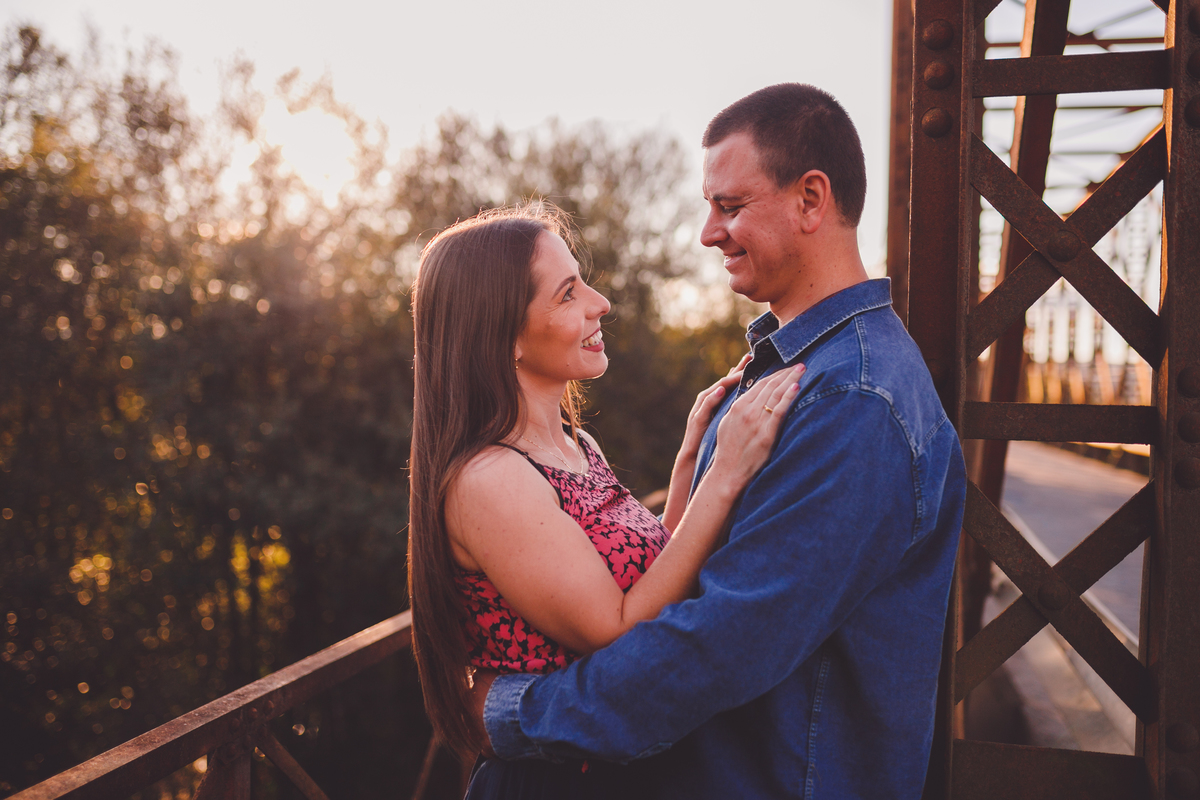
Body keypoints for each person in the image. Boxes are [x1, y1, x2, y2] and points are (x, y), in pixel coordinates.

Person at [472, 84, 967, 799]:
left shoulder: (852, 400)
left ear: (810, 199)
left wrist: (515, 714)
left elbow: (724, 642)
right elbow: (693, 586)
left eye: (730, 207)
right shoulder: (798, 371)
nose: (709, 233)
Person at [407, 204, 804, 798]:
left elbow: (650, 578)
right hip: (551, 783)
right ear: (504, 336)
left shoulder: (577, 445)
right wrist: (724, 474)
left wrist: (690, 459)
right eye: (568, 294)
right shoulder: (490, 479)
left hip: (617, 768)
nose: (601, 303)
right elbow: (617, 629)